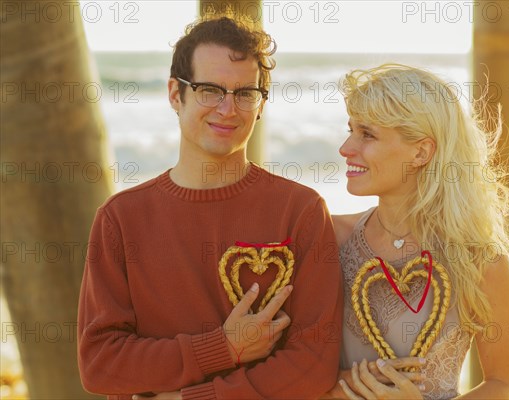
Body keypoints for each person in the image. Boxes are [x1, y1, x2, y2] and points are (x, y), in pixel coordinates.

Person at [77, 16, 343, 400]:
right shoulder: (120, 219)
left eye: (245, 94)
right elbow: (101, 364)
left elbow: (314, 365)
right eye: (209, 90)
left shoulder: (300, 210)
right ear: (174, 94)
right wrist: (223, 347)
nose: (228, 109)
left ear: (261, 105)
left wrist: (193, 398)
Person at [323, 64, 509, 399]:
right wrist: (343, 385)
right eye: (351, 130)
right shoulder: (329, 237)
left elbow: (504, 384)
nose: (346, 148)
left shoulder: (483, 260)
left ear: (421, 152)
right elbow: (294, 364)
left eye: (367, 134)